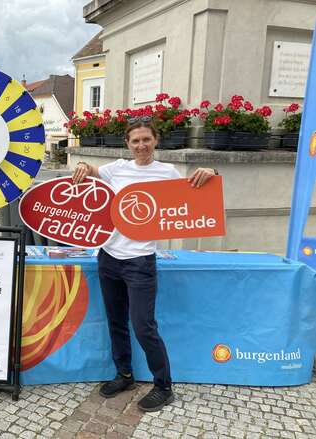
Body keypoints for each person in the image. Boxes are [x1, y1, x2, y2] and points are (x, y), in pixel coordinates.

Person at [72, 120, 217, 412]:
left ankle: (163, 386)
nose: (141, 146)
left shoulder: (166, 172)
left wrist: (212, 172)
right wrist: (85, 166)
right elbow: (91, 171)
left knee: (143, 326)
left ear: (156, 140)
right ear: (127, 144)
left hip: (140, 261)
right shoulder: (117, 169)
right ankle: (124, 374)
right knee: (116, 322)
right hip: (109, 257)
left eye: (146, 140)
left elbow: (196, 191)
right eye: (135, 141)